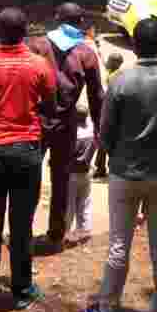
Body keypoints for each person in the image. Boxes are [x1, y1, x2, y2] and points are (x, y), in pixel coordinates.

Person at [85, 17, 157, 312]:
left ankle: (107, 309)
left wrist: (110, 159)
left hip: (125, 174)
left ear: (134, 45)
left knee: (119, 243)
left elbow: (104, 133)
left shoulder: (121, 82)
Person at [0, 8, 56, 311]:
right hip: (27, 151)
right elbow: (51, 107)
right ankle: (21, 289)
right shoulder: (40, 65)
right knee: (22, 223)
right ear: (26, 32)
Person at [28, 3, 105, 253]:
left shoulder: (38, 45)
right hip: (65, 124)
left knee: (30, 177)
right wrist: (99, 130)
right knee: (60, 180)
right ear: (81, 21)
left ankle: (23, 232)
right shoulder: (86, 53)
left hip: (36, 121)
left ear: (56, 17)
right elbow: (97, 96)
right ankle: (55, 235)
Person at [65, 104, 96, 246]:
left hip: (72, 174)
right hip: (86, 172)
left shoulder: (74, 135)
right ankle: (85, 231)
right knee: (85, 203)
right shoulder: (91, 132)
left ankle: (65, 232)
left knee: (69, 204)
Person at [92, 52, 125, 179]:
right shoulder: (117, 73)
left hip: (113, 114)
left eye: (110, 61)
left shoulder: (114, 77)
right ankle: (103, 167)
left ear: (115, 63)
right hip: (117, 113)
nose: (108, 63)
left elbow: (111, 97)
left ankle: (102, 168)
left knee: (104, 142)